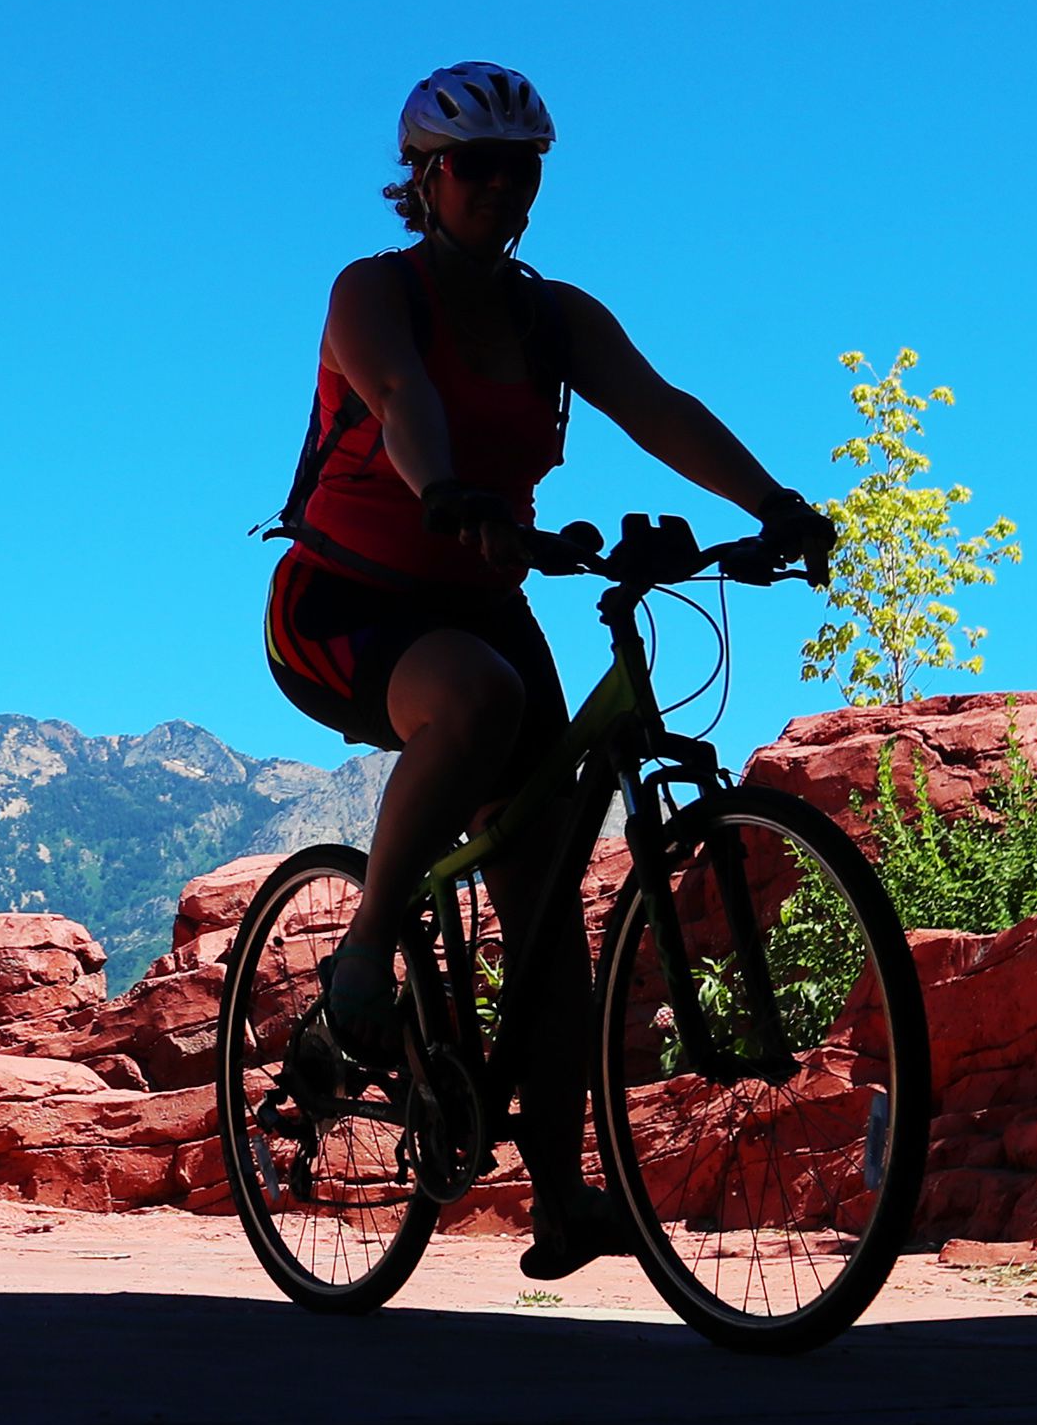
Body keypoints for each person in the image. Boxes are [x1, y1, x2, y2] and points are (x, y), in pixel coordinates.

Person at [260, 62, 834, 1277]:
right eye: (476, 167)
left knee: (551, 917)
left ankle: (567, 1201)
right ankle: (367, 949)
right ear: (424, 179)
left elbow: (660, 408)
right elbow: (404, 400)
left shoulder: (554, 316)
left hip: (482, 591)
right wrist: (448, 491)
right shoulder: (374, 292)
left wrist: (776, 503)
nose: (502, 190)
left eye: (524, 170)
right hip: (346, 600)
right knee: (477, 696)